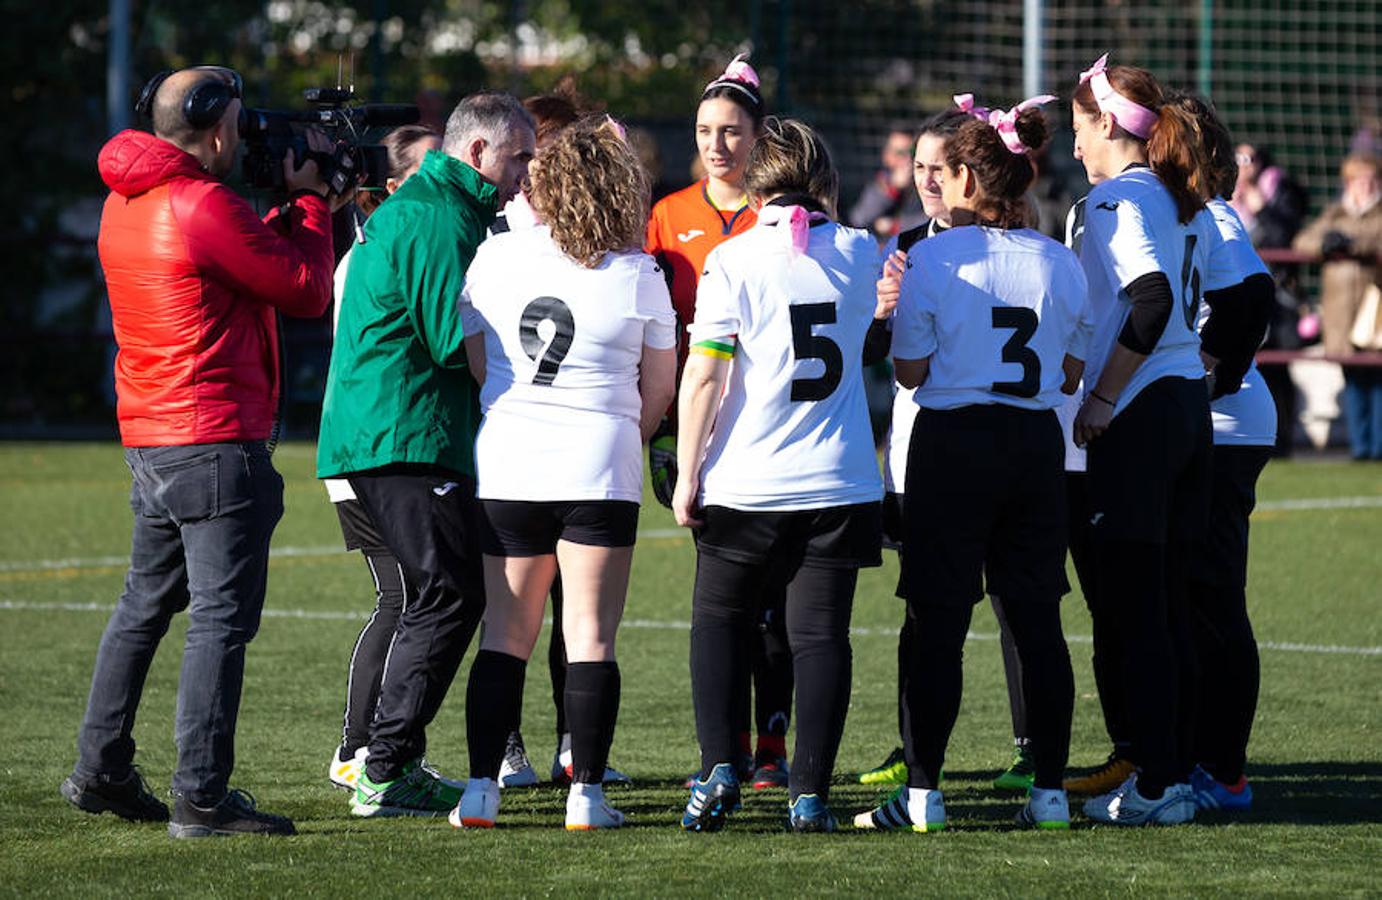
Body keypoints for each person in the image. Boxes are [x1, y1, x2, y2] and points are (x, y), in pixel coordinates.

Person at [62, 65, 337, 838]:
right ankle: (202, 798)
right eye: (240, 126)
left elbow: (241, 270)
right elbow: (305, 290)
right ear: (217, 130)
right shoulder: (202, 202)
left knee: (142, 609)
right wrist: (313, 203)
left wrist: (289, 211)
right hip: (214, 438)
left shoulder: (128, 199)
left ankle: (100, 769)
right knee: (219, 620)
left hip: (155, 434)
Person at [854, 94, 1088, 833]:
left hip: (954, 446)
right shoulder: (1060, 260)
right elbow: (1074, 375)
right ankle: (1049, 794)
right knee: (1038, 623)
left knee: (938, 622)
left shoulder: (928, 255)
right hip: (1034, 448)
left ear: (964, 179)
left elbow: (913, 372)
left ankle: (923, 795)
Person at [451, 117, 677, 830]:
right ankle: (585, 796)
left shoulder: (496, 257)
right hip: (599, 466)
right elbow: (661, 388)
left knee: (504, 637)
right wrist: (615, 435)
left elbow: (480, 361)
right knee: (590, 637)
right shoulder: (639, 272)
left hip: (511, 463)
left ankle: (480, 792)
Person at [316, 91, 536, 817]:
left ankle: (387, 759)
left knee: (436, 594)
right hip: (404, 436)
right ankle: (382, 767)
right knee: (446, 595)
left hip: (392, 432)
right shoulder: (442, 219)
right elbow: (457, 344)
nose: (525, 176)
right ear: (478, 153)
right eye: (519, 159)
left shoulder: (439, 208)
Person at [674, 118, 883, 833]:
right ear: (822, 181)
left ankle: (718, 769)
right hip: (840, 479)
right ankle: (809, 795)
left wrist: (687, 473)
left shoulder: (732, 258)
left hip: (748, 481)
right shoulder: (861, 251)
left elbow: (704, 374)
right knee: (820, 637)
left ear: (754, 180)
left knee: (719, 621)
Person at [1068, 53, 1216, 826]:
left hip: (1144, 415)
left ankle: (1157, 784)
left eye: (1080, 131)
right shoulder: (1173, 191)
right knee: (1168, 604)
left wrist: (1102, 395)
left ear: (1105, 126)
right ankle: (1175, 773)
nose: (1074, 149)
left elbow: (1150, 301)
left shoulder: (1115, 202)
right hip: (1187, 406)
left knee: (1139, 610)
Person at [645, 54, 794, 791]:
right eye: (705, 130)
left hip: (774, 431)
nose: (717, 144)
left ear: (759, 136)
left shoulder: (788, 219)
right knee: (727, 597)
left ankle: (772, 746)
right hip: (699, 431)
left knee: (775, 605)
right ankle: (727, 747)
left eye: (731, 131)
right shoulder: (667, 217)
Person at [322, 124, 443, 791]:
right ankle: (359, 748)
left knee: (410, 597)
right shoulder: (377, 251)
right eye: (427, 172)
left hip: (381, 448)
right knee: (402, 598)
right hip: (371, 452)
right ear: (390, 188)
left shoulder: (402, 241)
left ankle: (376, 749)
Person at [1167, 92, 1279, 813]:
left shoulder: (1212, 215)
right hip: (1204, 424)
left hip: (1227, 429)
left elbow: (1253, 299)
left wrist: (1213, 379)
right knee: (1185, 600)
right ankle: (1186, 758)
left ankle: (1226, 772)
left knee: (1212, 603)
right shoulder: (1177, 216)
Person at [1292, 154, 1382, 460]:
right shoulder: (1335, 212)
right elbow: (1303, 241)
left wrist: (1353, 245)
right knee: (1354, 380)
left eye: (1370, 179)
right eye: (1358, 179)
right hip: (1342, 313)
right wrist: (1326, 243)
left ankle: (1377, 447)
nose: (1364, 185)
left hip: (1374, 311)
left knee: (1378, 381)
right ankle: (1361, 448)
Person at [849, 125, 927, 240]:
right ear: (886, 155)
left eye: (912, 153)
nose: (907, 159)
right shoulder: (880, 181)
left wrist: (895, 226)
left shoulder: (926, 182)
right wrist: (893, 188)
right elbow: (859, 219)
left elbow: (933, 220)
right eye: (900, 153)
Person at [1230, 144, 1306, 250]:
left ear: (1260, 162)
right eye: (1237, 158)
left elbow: (1283, 238)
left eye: (1247, 159)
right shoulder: (1225, 194)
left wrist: (1262, 211)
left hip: (1268, 263)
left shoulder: (1281, 189)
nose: (1242, 165)